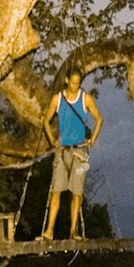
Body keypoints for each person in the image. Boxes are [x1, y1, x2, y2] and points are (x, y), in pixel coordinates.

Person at [42, 67, 103, 240]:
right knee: (57, 190)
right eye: (73, 83)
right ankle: (49, 231)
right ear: (67, 80)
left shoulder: (85, 98)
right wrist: (52, 140)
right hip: (62, 151)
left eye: (79, 83)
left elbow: (99, 119)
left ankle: (73, 231)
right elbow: (46, 120)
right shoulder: (57, 99)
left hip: (81, 154)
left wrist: (92, 140)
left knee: (77, 192)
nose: (76, 86)